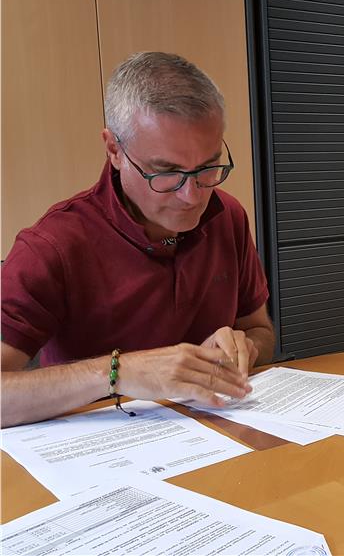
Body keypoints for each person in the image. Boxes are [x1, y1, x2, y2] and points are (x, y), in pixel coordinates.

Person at [1, 52, 275, 427]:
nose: (192, 196)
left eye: (208, 167)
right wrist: (118, 372)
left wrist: (244, 349)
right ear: (114, 150)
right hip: (102, 450)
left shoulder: (228, 216)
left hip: (217, 434)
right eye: (166, 172)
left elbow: (260, 331)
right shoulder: (53, 246)